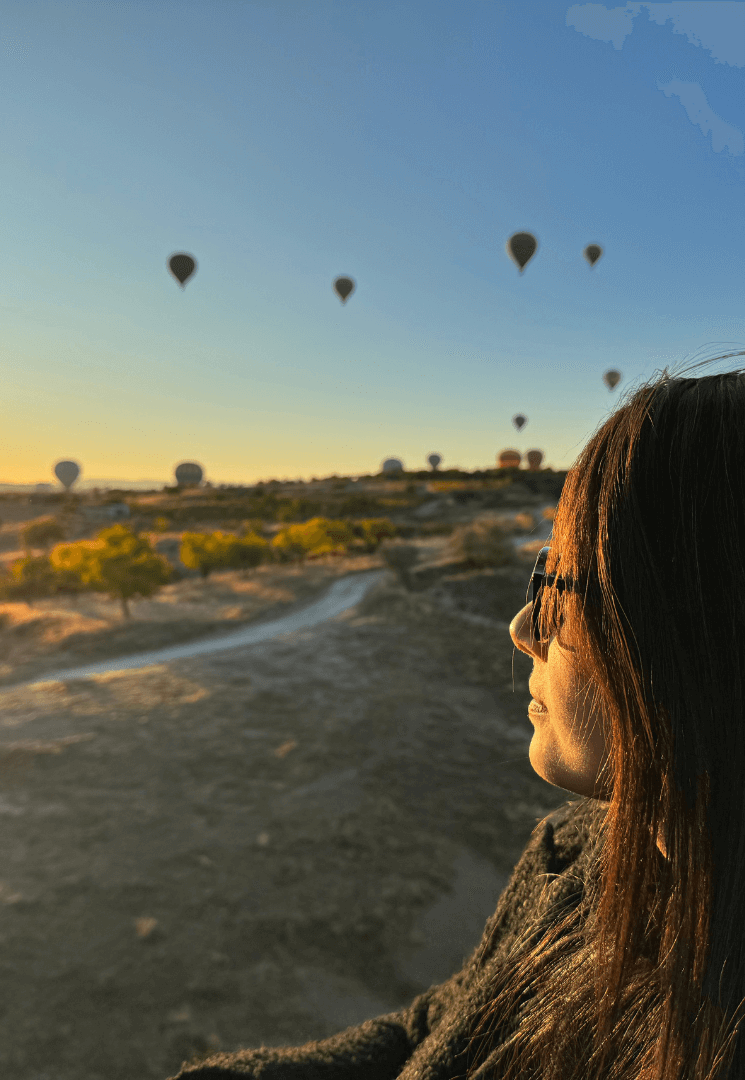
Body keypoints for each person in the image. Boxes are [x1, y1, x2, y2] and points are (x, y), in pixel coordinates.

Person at [169, 356, 745, 1080]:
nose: (522, 628)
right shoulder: (578, 856)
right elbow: (440, 1027)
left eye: (558, 584)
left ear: (692, 635)